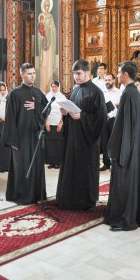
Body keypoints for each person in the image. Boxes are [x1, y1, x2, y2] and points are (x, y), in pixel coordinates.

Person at [56, 59, 106, 210]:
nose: (76, 77)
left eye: (78, 74)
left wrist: (82, 116)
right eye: (74, 74)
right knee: (71, 167)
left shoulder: (96, 92)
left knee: (84, 170)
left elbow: (100, 118)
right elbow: (72, 110)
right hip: (72, 138)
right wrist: (65, 112)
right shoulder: (76, 90)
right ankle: (69, 198)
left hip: (86, 140)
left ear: (87, 73)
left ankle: (85, 201)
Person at [104, 61, 140, 231]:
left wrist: (121, 150)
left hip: (125, 148)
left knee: (124, 183)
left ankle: (123, 219)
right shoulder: (131, 91)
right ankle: (118, 215)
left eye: (119, 72)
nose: (117, 75)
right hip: (129, 146)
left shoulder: (129, 93)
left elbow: (126, 126)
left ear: (126, 74)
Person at [2, 63, 48, 204]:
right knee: (22, 166)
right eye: (29, 73)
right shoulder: (15, 94)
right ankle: (22, 196)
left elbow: (47, 109)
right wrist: (13, 141)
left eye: (34, 73)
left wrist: (37, 107)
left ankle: (36, 195)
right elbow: (9, 118)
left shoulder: (38, 92)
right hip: (20, 139)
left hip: (35, 136)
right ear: (22, 75)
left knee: (36, 165)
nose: (33, 76)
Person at [100, 74, 122, 171]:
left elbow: (119, 107)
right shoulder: (101, 92)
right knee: (104, 141)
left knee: (114, 141)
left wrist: (109, 115)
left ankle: (114, 163)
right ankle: (106, 163)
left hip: (114, 119)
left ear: (113, 80)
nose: (107, 82)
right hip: (103, 120)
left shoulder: (119, 92)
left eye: (109, 80)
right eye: (106, 80)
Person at [45, 80, 67, 169]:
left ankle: (57, 162)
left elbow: (64, 111)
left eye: (55, 86)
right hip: (49, 122)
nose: (54, 88)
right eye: (52, 86)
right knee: (49, 144)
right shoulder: (47, 96)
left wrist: (61, 123)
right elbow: (45, 110)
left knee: (58, 144)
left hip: (58, 123)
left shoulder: (62, 97)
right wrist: (46, 122)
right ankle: (51, 162)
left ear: (59, 87)